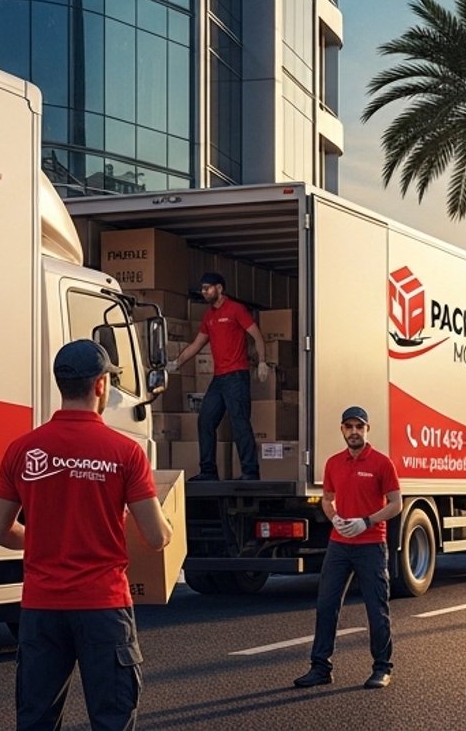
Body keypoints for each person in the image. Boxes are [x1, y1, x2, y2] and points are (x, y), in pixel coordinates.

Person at [0, 339, 172, 731]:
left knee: (36, 720)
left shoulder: (22, 449)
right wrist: (169, 526)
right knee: (112, 718)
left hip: (41, 607)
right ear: (102, 385)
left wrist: (40, 540)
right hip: (103, 607)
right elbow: (155, 537)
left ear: (61, 385)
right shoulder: (125, 452)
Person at [294, 406, 402, 690]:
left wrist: (366, 521)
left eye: (359, 427)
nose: (354, 431)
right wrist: (336, 518)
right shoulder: (333, 463)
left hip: (370, 545)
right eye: (349, 426)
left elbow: (395, 504)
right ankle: (320, 668)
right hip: (339, 546)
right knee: (326, 605)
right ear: (342, 429)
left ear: (367, 430)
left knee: (376, 608)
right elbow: (327, 498)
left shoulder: (381, 463)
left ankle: (382, 668)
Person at [169, 270, 269, 480]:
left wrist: (262, 362)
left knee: (239, 423)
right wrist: (175, 363)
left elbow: (257, 335)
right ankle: (208, 471)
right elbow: (197, 344)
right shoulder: (209, 316)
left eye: (207, 288)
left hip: (236, 376)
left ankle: (250, 473)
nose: (204, 292)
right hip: (219, 378)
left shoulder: (236, 309)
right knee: (205, 420)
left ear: (219, 288)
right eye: (203, 289)